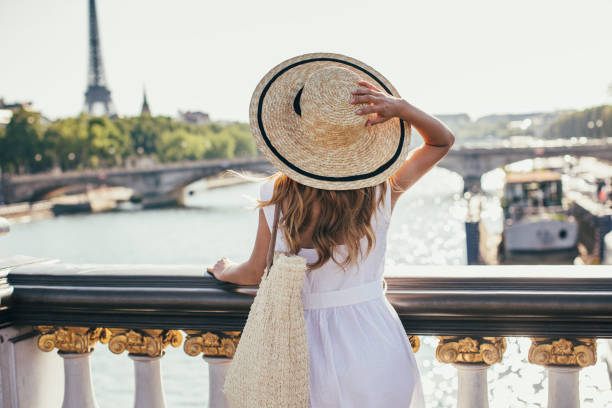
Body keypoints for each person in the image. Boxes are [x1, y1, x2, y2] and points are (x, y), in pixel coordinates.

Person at [207, 53, 454, 408]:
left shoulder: (275, 195)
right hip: (373, 344)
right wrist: (402, 108)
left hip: (300, 350)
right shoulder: (382, 192)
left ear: (298, 136)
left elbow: (255, 271)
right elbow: (441, 141)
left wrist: (224, 270)